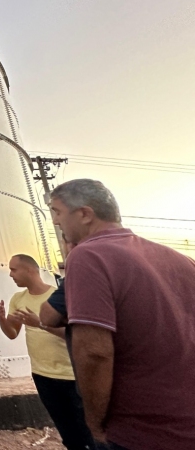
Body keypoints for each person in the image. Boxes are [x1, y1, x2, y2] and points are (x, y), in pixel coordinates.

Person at [50, 178, 195, 450]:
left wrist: (94, 423)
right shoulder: (181, 260)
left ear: (84, 214)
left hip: (139, 432)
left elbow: (94, 352)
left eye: (57, 212)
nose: (56, 222)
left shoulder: (88, 255)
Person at [0, 254, 96, 450]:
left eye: (14, 269)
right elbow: (12, 333)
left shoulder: (56, 297)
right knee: (67, 433)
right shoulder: (18, 299)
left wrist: (40, 324)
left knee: (88, 432)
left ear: (29, 270)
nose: (10, 274)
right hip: (42, 376)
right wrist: (2, 319)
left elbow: (73, 335)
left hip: (71, 376)